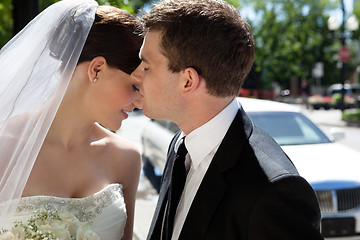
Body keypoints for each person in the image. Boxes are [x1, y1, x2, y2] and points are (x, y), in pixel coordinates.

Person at [131, 0, 324, 239]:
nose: (136, 75)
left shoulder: (273, 191)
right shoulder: (181, 145)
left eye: (147, 66)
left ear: (188, 81)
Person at [0, 0, 143, 239]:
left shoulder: (126, 159)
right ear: (96, 69)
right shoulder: (4, 146)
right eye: (135, 86)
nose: (141, 101)